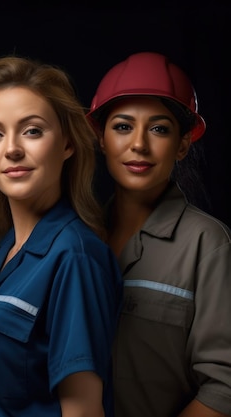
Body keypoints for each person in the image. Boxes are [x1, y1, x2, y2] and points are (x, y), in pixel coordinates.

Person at [0, 55, 123, 416]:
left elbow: (83, 410)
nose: (12, 149)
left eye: (32, 130)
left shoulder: (75, 257)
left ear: (67, 143)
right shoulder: (5, 250)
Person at [87, 51, 231, 417]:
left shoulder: (208, 244)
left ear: (183, 144)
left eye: (159, 128)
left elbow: (224, 386)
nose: (139, 144)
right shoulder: (80, 237)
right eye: (122, 126)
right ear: (100, 138)